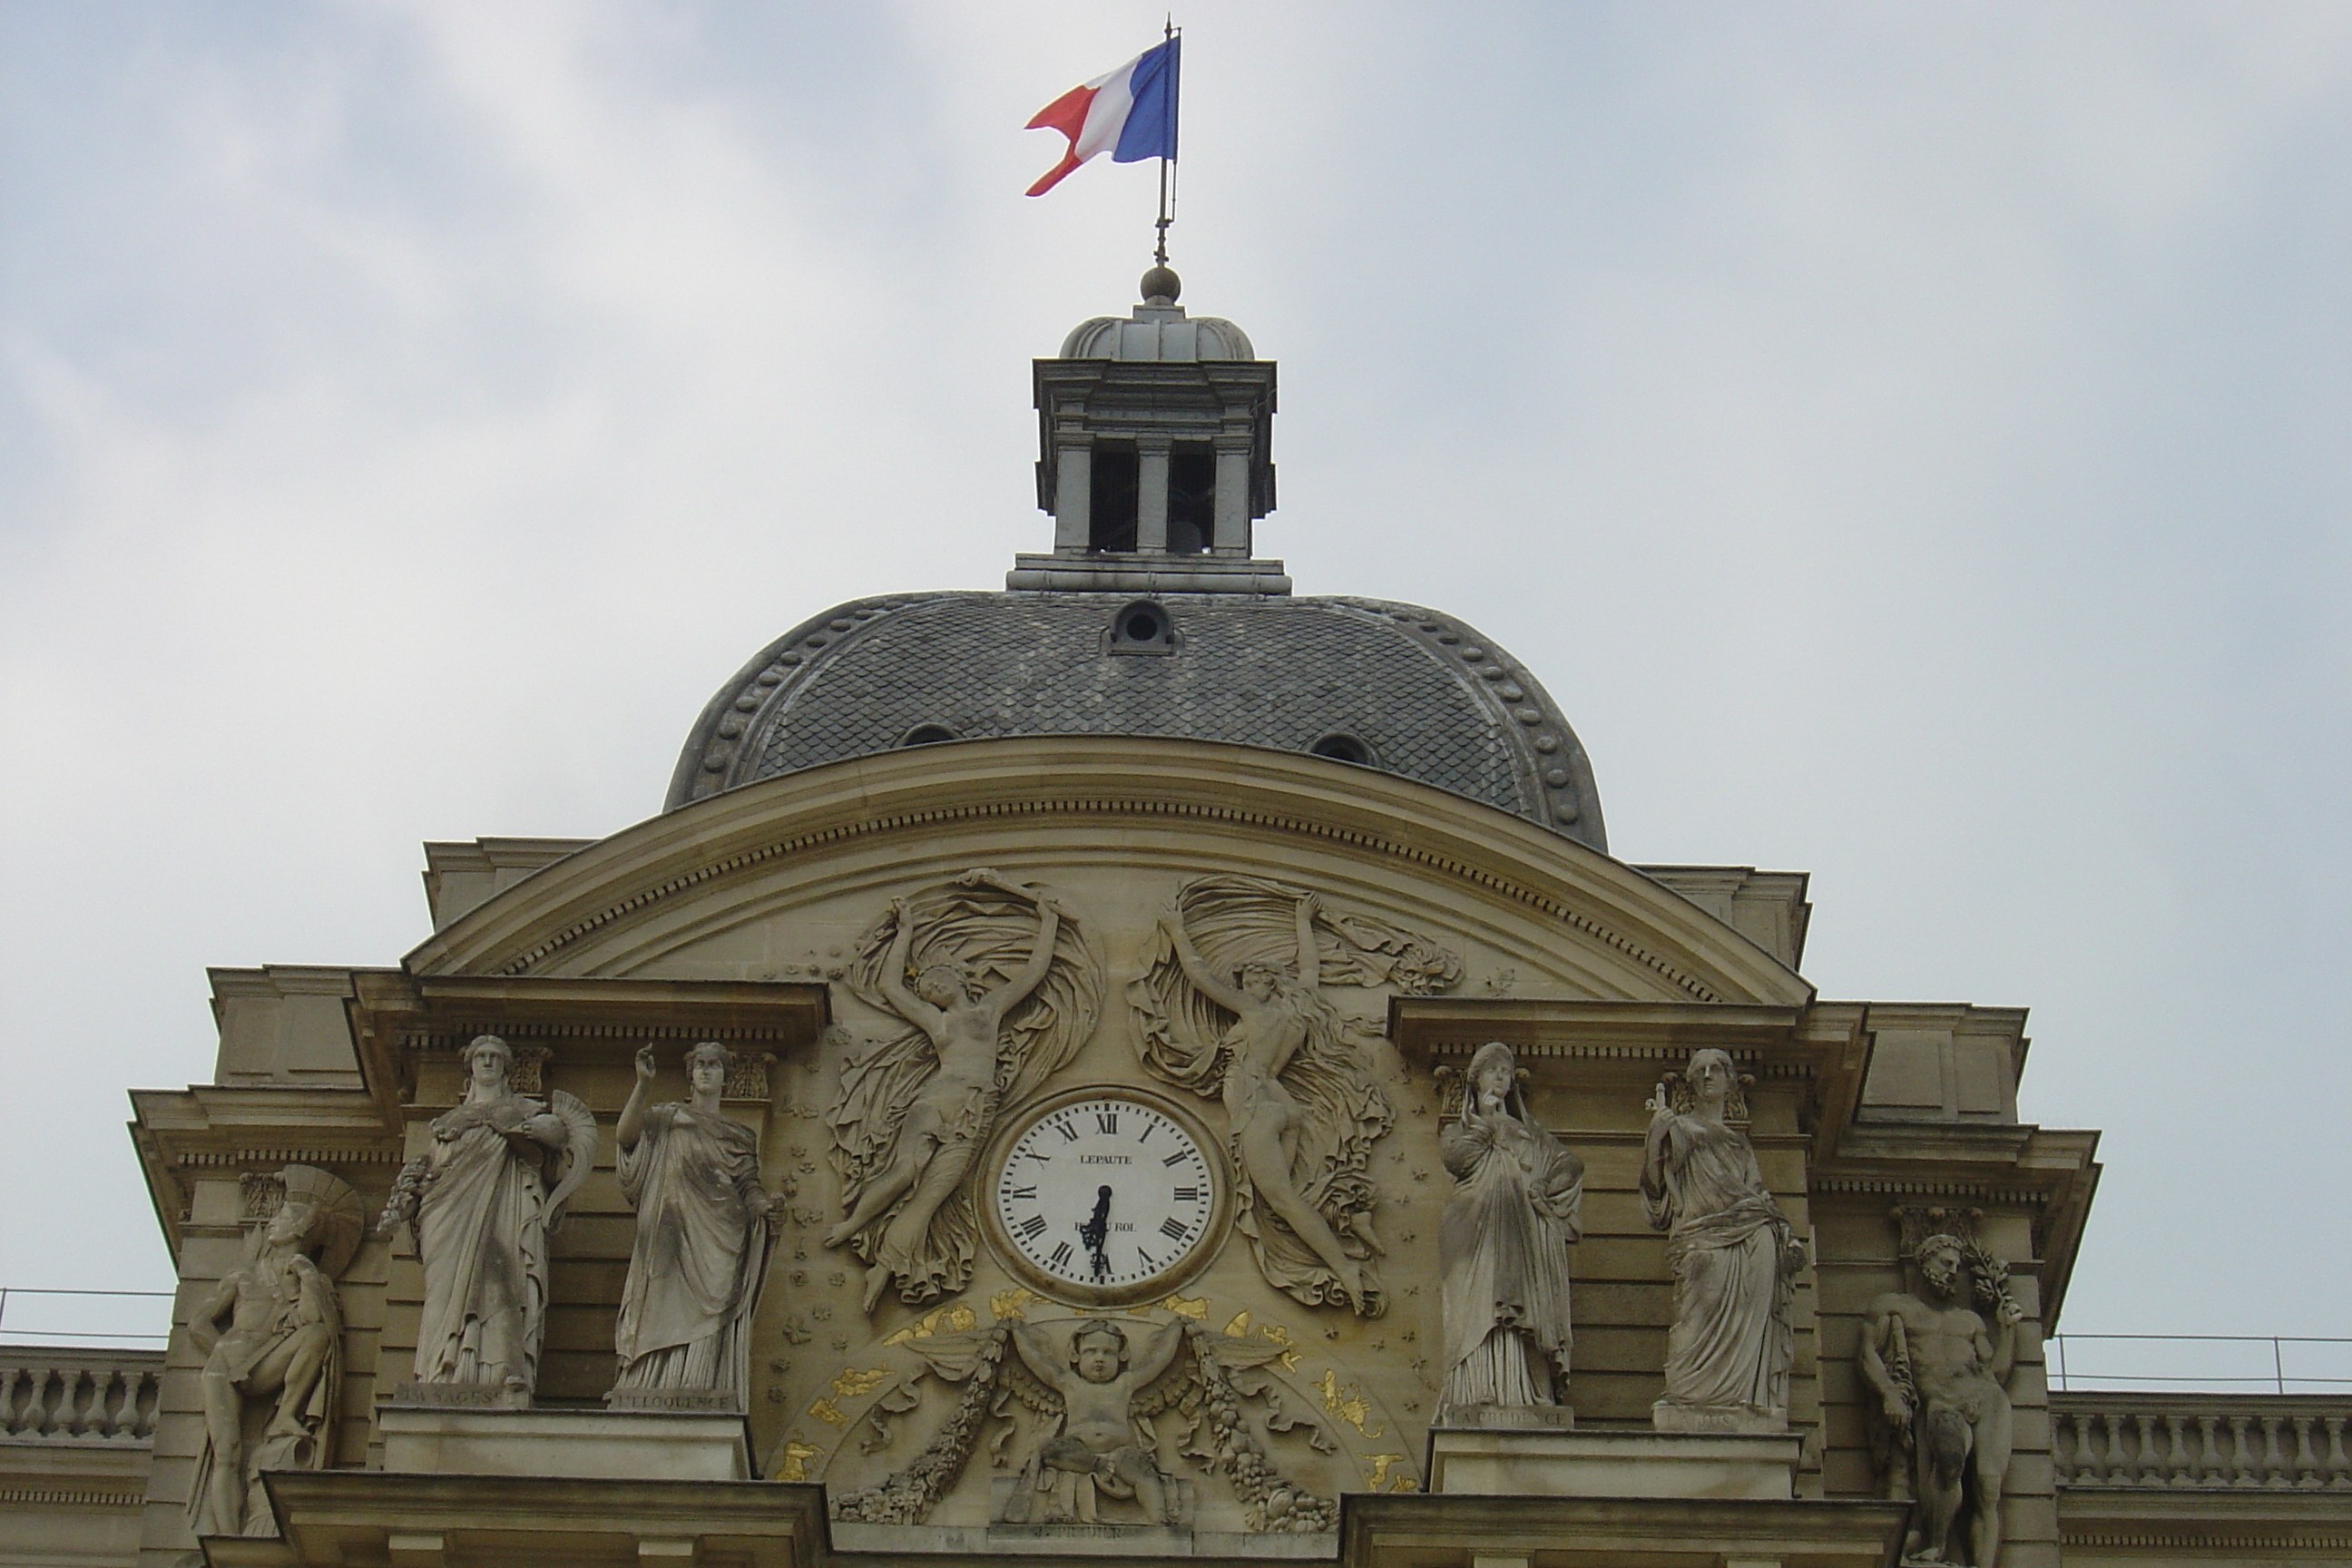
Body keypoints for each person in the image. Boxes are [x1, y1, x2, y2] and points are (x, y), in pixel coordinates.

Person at [825, 875, 1061, 1312]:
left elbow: (1034, 971)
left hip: (976, 1107)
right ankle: (854, 1223)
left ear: (959, 980)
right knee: (902, 1172)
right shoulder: (938, 1023)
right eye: (927, 987)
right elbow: (893, 988)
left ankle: (888, 1263)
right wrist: (905, 933)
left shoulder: (989, 1010)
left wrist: (1046, 924)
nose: (930, 989)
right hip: (937, 1099)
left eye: (937, 980)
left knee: (935, 1190)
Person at [1158, 892, 1377, 1313]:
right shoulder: (1297, 1009)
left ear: (1259, 984)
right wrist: (1303, 922)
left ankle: (1344, 1267)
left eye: (1249, 981)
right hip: (1283, 1105)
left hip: (1257, 1101)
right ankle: (1338, 1241)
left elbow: (1200, 976)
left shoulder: (1253, 1012)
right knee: (1282, 1200)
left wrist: (1177, 931)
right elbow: (1310, 968)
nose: (1244, 987)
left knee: (1280, 1200)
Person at [382, 1034, 586, 1397]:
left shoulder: (524, 1111)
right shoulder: (446, 1124)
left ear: (506, 1067)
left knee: (500, 1281)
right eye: (481, 1056)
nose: (488, 1062)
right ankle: (441, 1369)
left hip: (503, 1210)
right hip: (446, 1217)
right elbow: (431, 1180)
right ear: (470, 1065)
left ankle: (499, 1368)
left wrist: (540, 1135)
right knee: (445, 1293)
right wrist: (409, 1198)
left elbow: (554, 1166)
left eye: (496, 1057)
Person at [1640, 1047, 1806, 1429]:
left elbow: (1758, 1194)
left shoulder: (1738, 1143)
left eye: (1717, 1069)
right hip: (1701, 1242)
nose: (1709, 1074)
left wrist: (1782, 1232)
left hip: (1752, 1242)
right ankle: (1690, 1400)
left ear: (1730, 1081)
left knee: (1748, 1326)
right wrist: (1655, 1140)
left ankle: (1743, 1401)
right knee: (1694, 1320)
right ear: (1691, 1081)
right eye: (1700, 1069)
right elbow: (1655, 1195)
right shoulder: (1678, 1129)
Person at [186, 1167, 357, 1537]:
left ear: (298, 1231)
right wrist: (223, 1353)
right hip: (224, 1366)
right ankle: (228, 1540)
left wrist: (307, 1276)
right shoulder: (243, 1274)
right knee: (228, 1452)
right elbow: (198, 1323)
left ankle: (285, 1417)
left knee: (316, 1337)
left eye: (280, 1219)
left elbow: (316, 1324)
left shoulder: (312, 1277)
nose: (271, 1225)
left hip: (265, 1362)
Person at [611, 1041, 779, 1403]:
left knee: (716, 1306)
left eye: (713, 1065)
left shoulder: (740, 1135)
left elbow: (748, 1186)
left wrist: (765, 1207)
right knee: (660, 1297)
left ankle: (699, 1383)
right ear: (690, 1075)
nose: (705, 1070)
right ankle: (651, 1382)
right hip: (669, 1223)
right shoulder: (665, 1116)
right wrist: (642, 1084)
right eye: (699, 1065)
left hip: (722, 1232)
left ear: (725, 1076)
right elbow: (625, 1136)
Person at [1858, 1232, 2021, 1566]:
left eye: (1957, 1266)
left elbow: (1996, 1372)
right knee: (1948, 1465)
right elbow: (1867, 1356)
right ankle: (1936, 1543)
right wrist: (1889, 1392)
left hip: (1985, 1398)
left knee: (1989, 1489)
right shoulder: (1893, 1307)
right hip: (1941, 1402)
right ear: (1923, 1262)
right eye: (1945, 1263)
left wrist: (2007, 1330)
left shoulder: (1969, 1320)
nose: (1952, 1271)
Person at [1438, 1041, 1583, 1412]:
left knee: (1522, 1309)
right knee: (1483, 1306)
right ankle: (1479, 1386)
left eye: (1505, 1070)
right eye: (1492, 1070)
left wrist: (1543, 1189)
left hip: (1523, 1230)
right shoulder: (1464, 1127)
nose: (1500, 1076)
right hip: (1477, 1230)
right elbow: (1456, 1159)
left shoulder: (1529, 1132)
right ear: (1476, 1081)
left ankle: (1522, 1392)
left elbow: (1570, 1164)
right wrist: (1485, 1125)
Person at [1006, 1318, 1185, 1524]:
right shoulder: (1069, 1383)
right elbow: (1036, 1361)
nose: (1099, 1359)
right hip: (1077, 1450)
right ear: (1076, 1355)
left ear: (1121, 1356)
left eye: (1108, 1352)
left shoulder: (1125, 1383)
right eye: (1091, 1352)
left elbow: (1158, 1361)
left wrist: (1175, 1331)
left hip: (1119, 1452)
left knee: (1141, 1467)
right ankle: (1098, 1465)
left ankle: (1159, 1519)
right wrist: (1017, 1333)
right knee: (1053, 1449)